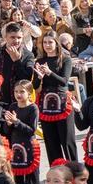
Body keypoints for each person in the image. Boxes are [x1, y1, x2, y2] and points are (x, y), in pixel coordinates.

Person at [33, 32, 75, 164]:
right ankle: (56, 171)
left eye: (50, 42)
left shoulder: (65, 59)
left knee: (67, 140)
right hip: (46, 103)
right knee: (51, 142)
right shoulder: (39, 61)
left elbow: (64, 81)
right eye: (45, 42)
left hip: (62, 102)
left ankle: (74, 170)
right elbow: (35, 86)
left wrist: (49, 72)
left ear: (56, 43)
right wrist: (39, 76)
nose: (47, 45)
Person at [4, 81, 40, 184]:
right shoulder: (13, 106)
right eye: (16, 91)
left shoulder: (33, 108)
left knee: (34, 182)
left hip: (30, 148)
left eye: (22, 91)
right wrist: (8, 124)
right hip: (16, 147)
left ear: (29, 93)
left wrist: (16, 122)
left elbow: (32, 130)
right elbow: (6, 130)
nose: (18, 94)